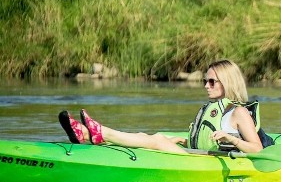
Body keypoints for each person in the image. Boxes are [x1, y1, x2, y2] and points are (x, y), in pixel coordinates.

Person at [58, 59, 266, 154]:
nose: (205, 85)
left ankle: (100, 132)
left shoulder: (238, 112)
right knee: (154, 135)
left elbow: (256, 149)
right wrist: (184, 140)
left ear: (227, 82)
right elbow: (207, 139)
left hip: (209, 163)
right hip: (197, 156)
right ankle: (85, 135)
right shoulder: (212, 108)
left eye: (212, 82)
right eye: (205, 80)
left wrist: (230, 139)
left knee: (157, 141)